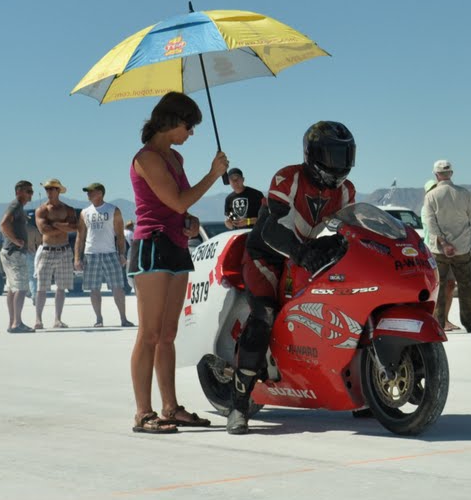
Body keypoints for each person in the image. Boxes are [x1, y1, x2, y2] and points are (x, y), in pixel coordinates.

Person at [232, 121, 358, 434]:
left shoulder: (346, 190)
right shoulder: (288, 178)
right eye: (332, 155)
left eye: (345, 155)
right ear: (312, 154)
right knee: (264, 315)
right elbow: (270, 229)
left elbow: (348, 228)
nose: (339, 163)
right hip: (266, 256)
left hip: (303, 255)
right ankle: (239, 405)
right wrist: (300, 253)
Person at [128, 91, 228, 435]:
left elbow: (180, 207)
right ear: (171, 122)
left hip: (175, 244)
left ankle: (170, 407)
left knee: (168, 334)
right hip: (152, 246)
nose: (191, 133)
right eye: (189, 126)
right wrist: (213, 174)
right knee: (150, 333)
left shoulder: (175, 158)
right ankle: (143, 413)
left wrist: (190, 221)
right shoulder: (147, 158)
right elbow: (177, 200)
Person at [422, 160, 471, 334]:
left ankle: (438, 324)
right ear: (451, 174)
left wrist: (444, 243)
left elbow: (431, 224)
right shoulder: (464, 193)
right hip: (462, 248)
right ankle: (470, 323)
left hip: (439, 250)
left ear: (436, 175)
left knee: (439, 287)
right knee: (465, 287)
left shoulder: (431, 196)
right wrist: (465, 230)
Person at [77, 182, 134, 328]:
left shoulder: (113, 210)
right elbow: (80, 236)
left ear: (100, 193)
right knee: (94, 288)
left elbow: (120, 235)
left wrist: (122, 254)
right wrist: (77, 258)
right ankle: (99, 319)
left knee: (118, 287)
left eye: (91, 191)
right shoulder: (85, 212)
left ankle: (123, 318)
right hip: (91, 254)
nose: (88, 194)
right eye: (87, 192)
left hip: (110, 253)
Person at [32, 178, 78, 330]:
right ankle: (38, 319)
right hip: (47, 250)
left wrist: (55, 224)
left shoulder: (68, 209)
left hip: (64, 250)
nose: (49, 191)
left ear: (58, 190)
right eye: (47, 189)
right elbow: (44, 230)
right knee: (41, 287)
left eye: (52, 188)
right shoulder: (42, 210)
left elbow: (74, 227)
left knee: (61, 287)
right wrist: (63, 226)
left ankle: (58, 319)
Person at [0, 181, 35, 334]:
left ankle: (12, 322)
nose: (31, 194)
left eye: (31, 191)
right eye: (28, 191)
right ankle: (17, 323)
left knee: (12, 289)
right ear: (18, 192)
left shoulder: (19, 207)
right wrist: (15, 240)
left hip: (9, 252)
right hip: (14, 253)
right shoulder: (15, 206)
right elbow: (3, 224)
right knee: (21, 288)